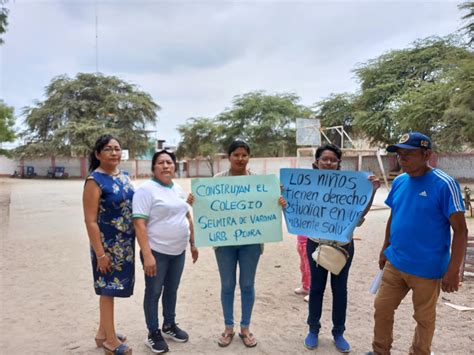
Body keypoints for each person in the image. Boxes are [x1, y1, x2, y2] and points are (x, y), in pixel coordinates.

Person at [370, 132, 468, 355]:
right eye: (400, 154)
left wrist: (453, 271)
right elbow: (394, 216)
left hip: (428, 269)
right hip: (396, 262)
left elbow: (461, 231)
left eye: (409, 154)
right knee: (381, 309)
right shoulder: (400, 181)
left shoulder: (445, 184)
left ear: (427, 155)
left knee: (424, 319)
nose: (402, 159)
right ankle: (380, 350)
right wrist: (385, 248)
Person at [187, 139, 286, 348]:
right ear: (229, 157)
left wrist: (278, 201)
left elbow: (269, 206)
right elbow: (207, 205)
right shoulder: (216, 181)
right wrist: (194, 201)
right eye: (236, 155)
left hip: (251, 241)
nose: (240, 159)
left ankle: (245, 328)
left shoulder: (260, 183)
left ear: (249, 157)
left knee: (248, 284)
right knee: (228, 285)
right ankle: (228, 327)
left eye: (244, 155)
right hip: (224, 243)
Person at [304, 144, 380, 353]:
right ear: (316, 163)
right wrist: (286, 196)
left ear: (338, 164)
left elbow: (360, 213)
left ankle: (338, 332)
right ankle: (313, 329)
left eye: (333, 160)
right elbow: (296, 209)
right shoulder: (307, 187)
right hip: (316, 243)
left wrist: (371, 192)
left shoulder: (350, 186)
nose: (328, 162)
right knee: (317, 288)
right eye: (324, 159)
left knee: (340, 290)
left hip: (343, 245)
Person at [132, 149, 198, 354]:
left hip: (178, 251)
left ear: (174, 166)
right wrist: (148, 254)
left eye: (169, 162)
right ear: (153, 167)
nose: (165, 166)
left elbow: (187, 216)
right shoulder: (146, 190)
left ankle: (169, 325)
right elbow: (139, 224)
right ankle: (153, 332)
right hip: (156, 252)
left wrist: (193, 244)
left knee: (171, 289)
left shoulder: (178, 189)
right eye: (160, 162)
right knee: (153, 291)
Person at [83, 134, 135, 355]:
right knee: (108, 290)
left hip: (125, 245)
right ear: (97, 154)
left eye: (117, 148)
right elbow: (90, 220)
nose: (114, 152)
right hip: (106, 247)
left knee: (111, 289)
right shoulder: (94, 181)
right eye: (108, 149)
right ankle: (111, 342)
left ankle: (102, 332)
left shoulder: (123, 176)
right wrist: (101, 254)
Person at [294, 235, 310, 302]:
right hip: (300, 241)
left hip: (309, 242)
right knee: (303, 267)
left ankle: (312, 291)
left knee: (309, 269)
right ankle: (305, 286)